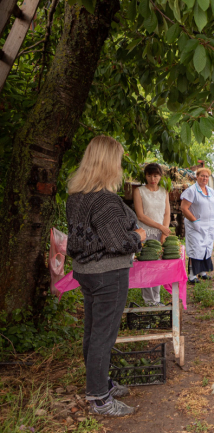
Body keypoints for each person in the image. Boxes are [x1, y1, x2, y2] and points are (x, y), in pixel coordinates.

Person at [66, 136, 146, 416]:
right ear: (110, 163)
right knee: (103, 336)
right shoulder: (105, 201)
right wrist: (138, 236)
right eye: (119, 160)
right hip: (107, 273)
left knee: (93, 332)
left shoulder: (76, 196)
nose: (121, 166)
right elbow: (118, 243)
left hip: (85, 271)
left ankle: (100, 385)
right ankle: (99, 399)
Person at [133, 163, 171, 307]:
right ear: (145, 176)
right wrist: (161, 227)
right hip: (145, 234)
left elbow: (167, 214)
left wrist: (164, 232)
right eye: (149, 175)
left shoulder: (164, 192)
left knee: (158, 267)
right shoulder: (139, 191)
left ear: (160, 176)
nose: (152, 179)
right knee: (146, 267)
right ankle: (149, 301)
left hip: (160, 234)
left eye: (155, 175)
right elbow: (140, 216)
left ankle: (157, 299)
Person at [180, 167, 214, 284]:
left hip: (209, 226)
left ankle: (202, 272)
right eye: (202, 176)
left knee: (206, 247)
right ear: (197, 177)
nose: (204, 178)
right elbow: (184, 208)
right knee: (196, 249)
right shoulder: (191, 191)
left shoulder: (210, 191)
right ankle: (192, 275)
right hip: (195, 226)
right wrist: (195, 221)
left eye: (206, 176)